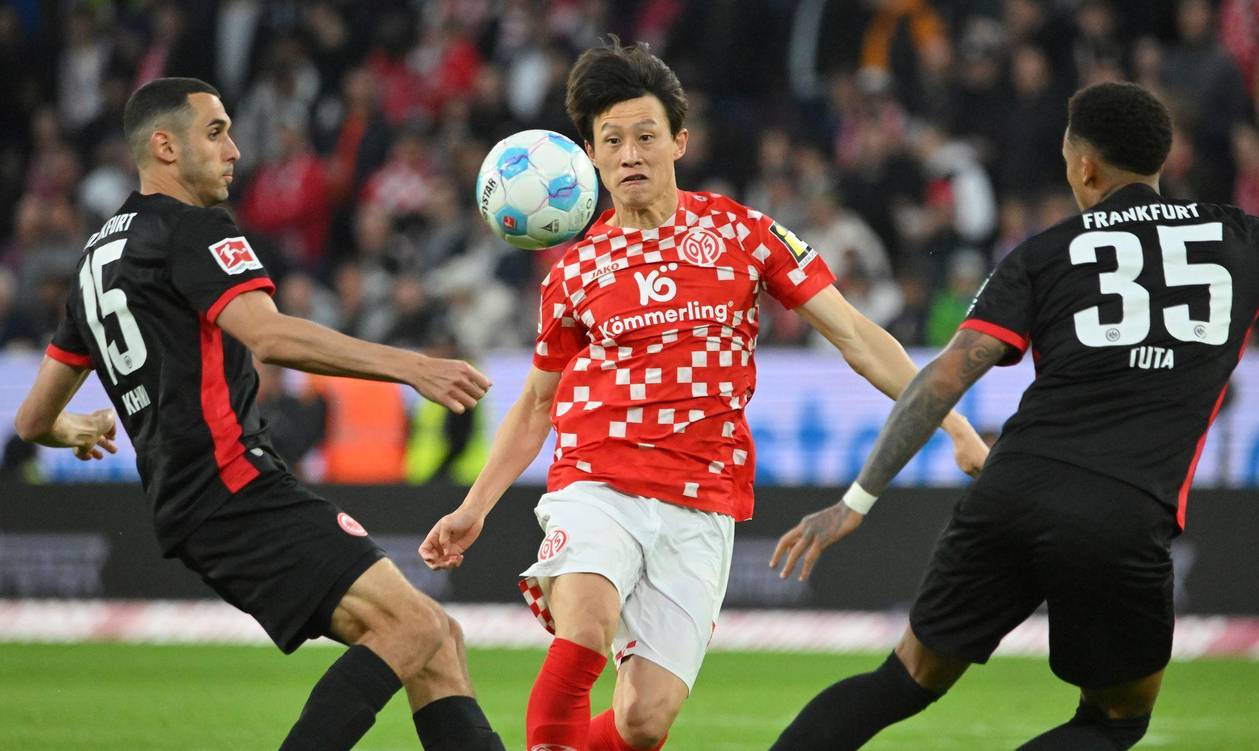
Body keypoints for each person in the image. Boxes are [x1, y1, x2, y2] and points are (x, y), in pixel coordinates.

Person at [419, 38, 989, 751]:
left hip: (701, 497)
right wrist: (474, 507)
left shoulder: (742, 235)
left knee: (644, 720)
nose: (630, 154)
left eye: (645, 136)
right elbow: (537, 404)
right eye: (612, 141)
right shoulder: (575, 272)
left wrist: (953, 423)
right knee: (585, 627)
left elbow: (854, 334)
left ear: (679, 141)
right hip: (597, 479)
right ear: (590, 157)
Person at [768, 81, 1259, 750]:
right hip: (1123, 511)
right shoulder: (1246, 240)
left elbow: (942, 377)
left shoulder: (1044, 253)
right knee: (1115, 719)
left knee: (904, 678)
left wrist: (855, 501)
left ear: (1085, 167)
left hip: (1010, 491)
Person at [12, 77, 505, 751]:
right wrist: (412, 366)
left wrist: (70, 428)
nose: (234, 150)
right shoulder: (189, 228)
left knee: (437, 639)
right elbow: (269, 336)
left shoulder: (92, 261)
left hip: (194, 500)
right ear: (165, 146)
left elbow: (31, 420)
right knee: (414, 626)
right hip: (233, 484)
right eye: (215, 132)